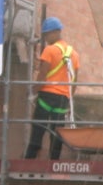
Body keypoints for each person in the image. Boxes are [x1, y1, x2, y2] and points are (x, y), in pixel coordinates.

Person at [27, 17, 77, 158]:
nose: (46, 38)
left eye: (47, 34)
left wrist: (32, 92)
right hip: (63, 99)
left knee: (38, 128)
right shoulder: (74, 54)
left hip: (46, 97)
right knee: (57, 131)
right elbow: (74, 81)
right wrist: (68, 98)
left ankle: (30, 159)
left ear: (55, 32)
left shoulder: (49, 50)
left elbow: (42, 76)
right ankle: (54, 161)